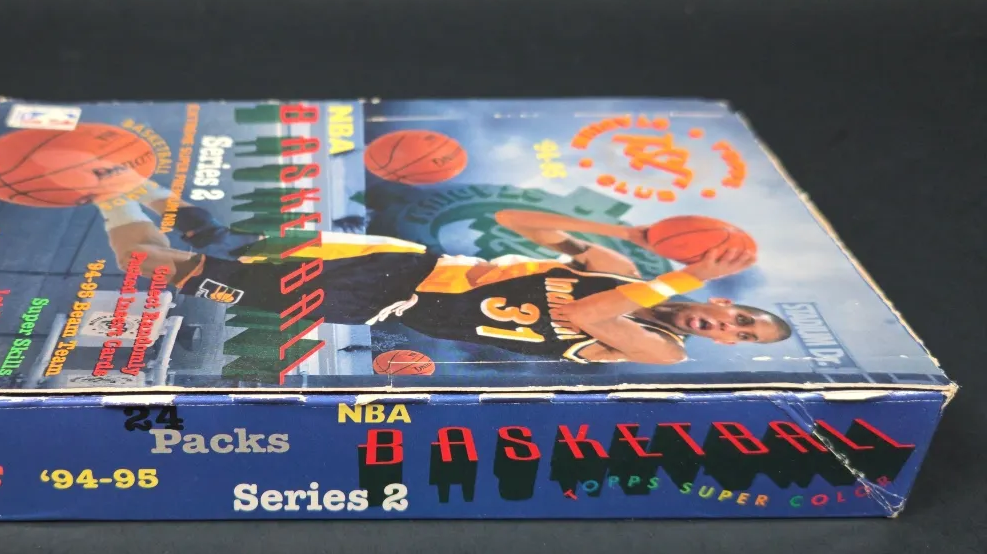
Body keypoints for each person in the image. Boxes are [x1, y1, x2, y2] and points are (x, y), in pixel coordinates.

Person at [97, 186, 791, 365]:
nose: (727, 325)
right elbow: (519, 219)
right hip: (408, 261)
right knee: (228, 244)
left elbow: (587, 316)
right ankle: (115, 181)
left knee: (173, 267)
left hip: (383, 306)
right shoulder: (620, 267)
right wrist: (631, 236)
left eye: (740, 336)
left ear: (723, 343)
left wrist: (684, 276)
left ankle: (106, 190)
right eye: (742, 317)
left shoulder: (662, 348)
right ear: (726, 301)